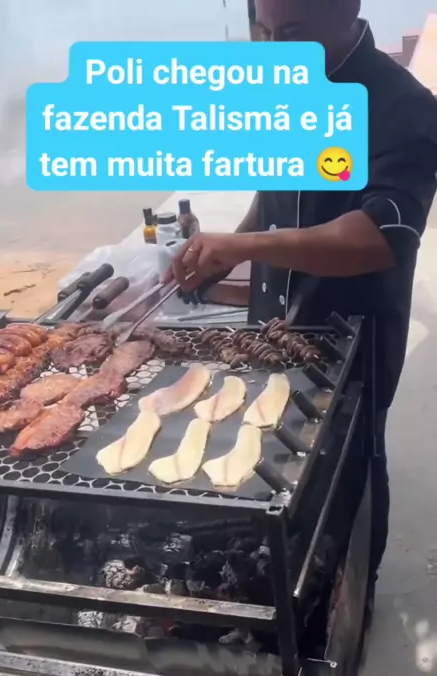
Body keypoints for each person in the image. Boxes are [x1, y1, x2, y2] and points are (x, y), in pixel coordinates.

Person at [166, 0, 437, 581]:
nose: (276, 51)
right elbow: (274, 193)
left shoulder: (405, 108)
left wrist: (247, 247)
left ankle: (350, 595)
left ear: (349, 9)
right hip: (274, 324)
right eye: (263, 33)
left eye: (292, 32)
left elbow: (378, 237)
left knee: (349, 472)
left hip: (351, 335)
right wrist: (225, 255)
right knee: (275, 458)